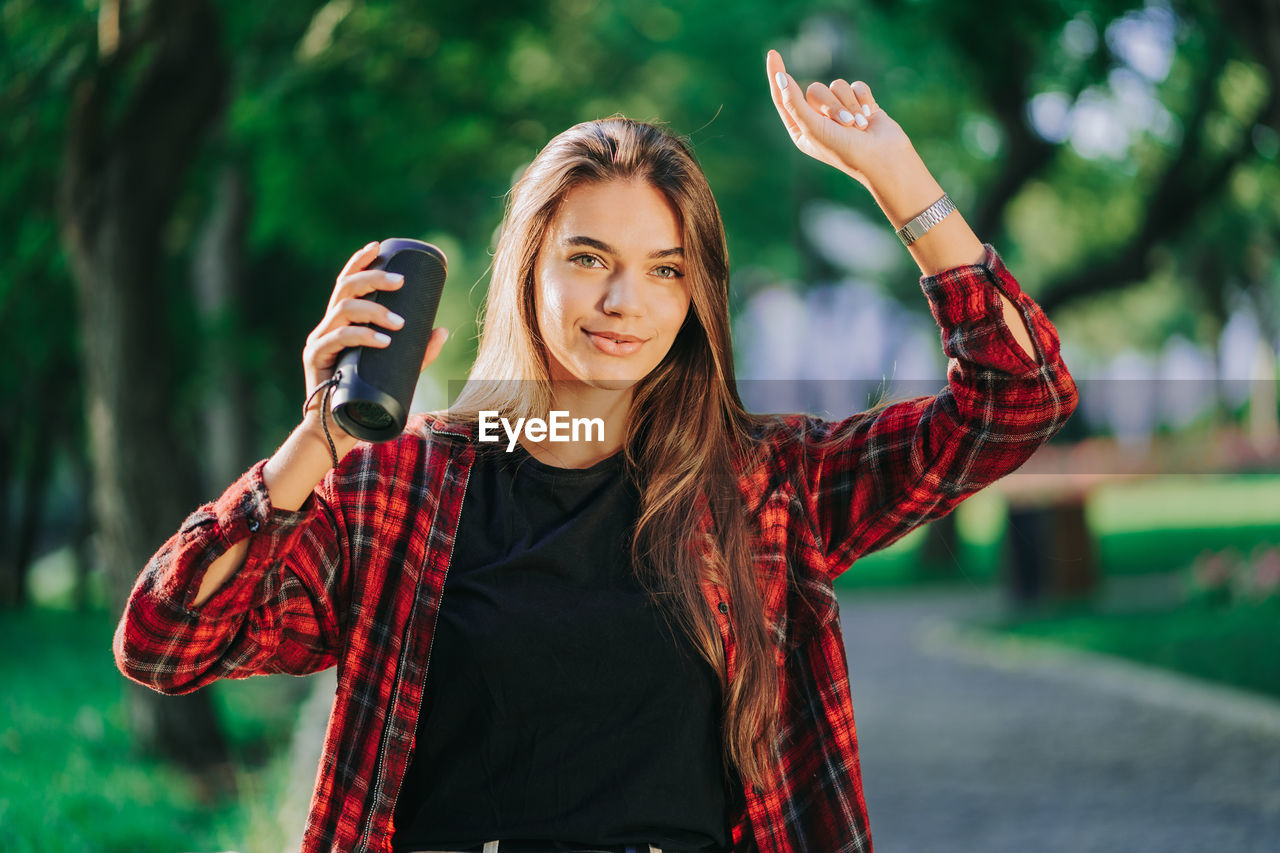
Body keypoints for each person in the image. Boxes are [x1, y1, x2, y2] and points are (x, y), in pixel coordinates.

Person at [114, 50, 1078, 853]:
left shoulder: (762, 483)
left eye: (665, 269)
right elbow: (167, 640)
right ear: (527, 265)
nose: (627, 303)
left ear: (696, 295)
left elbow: (1018, 401)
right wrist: (316, 440)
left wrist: (896, 178)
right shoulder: (400, 488)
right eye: (589, 259)